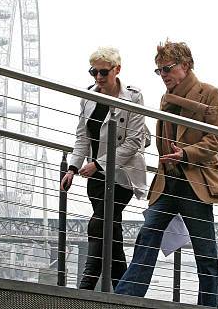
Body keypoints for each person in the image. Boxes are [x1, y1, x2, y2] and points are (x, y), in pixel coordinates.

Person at [115, 40, 218, 307]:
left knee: (206, 254)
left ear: (185, 65)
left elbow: (216, 139)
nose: (163, 75)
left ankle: (208, 305)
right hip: (167, 182)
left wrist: (186, 154)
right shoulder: (166, 100)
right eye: (159, 71)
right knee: (146, 239)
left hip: (196, 183)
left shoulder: (210, 93)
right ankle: (123, 301)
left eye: (167, 68)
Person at [60, 46, 147, 290]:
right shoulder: (88, 97)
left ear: (117, 70)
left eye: (103, 72)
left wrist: (99, 163)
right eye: (93, 72)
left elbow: (133, 142)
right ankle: (125, 295)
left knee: (98, 224)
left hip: (122, 175)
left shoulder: (133, 97)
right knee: (112, 235)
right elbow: (82, 137)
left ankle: (85, 289)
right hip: (95, 178)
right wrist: (72, 168)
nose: (98, 78)